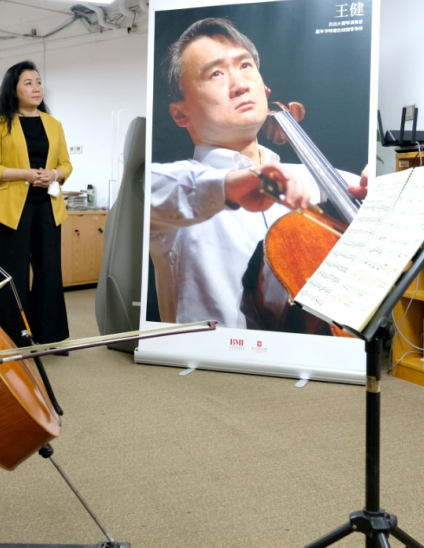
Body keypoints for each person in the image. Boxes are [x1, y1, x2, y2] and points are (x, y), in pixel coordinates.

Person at [150, 17, 368, 330]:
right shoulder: (178, 196)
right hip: (214, 360)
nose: (240, 85)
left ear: (265, 90)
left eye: (245, 66)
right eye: (216, 73)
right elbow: (148, 192)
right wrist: (227, 186)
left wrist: (380, 187)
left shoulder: (314, 179)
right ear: (179, 113)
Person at [0, 61, 72, 347]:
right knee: (12, 274)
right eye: (28, 83)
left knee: (49, 272)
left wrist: (53, 174)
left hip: (47, 206)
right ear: (14, 89)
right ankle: (12, 337)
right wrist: (26, 174)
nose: (36, 88)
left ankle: (49, 336)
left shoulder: (53, 124)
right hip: (11, 209)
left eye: (39, 82)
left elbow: (66, 165)